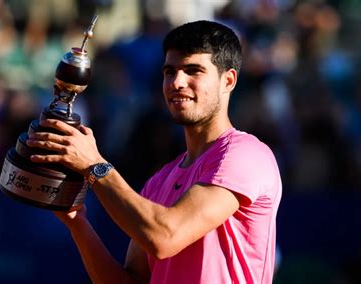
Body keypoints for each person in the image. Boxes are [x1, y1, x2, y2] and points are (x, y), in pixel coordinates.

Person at [27, 20, 282, 284]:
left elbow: (165, 237)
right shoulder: (160, 180)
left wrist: (94, 165)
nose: (177, 82)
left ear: (228, 80)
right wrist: (77, 222)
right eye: (170, 71)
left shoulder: (246, 154)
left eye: (193, 70)